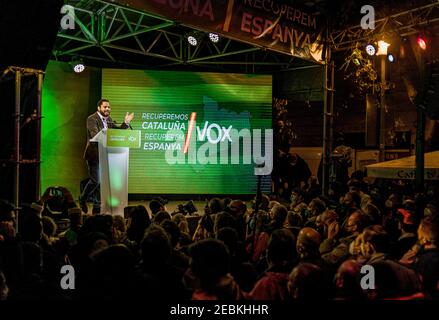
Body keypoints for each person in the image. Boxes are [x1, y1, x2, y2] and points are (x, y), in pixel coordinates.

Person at [79, 99, 134, 214]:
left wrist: (126, 123)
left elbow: (117, 132)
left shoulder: (108, 119)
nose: (108, 109)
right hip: (94, 154)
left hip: (106, 154)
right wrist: (106, 132)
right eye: (105, 107)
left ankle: (97, 206)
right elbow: (94, 134)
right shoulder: (91, 119)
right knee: (96, 181)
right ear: (99, 108)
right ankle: (83, 198)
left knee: (102, 183)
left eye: (109, 107)